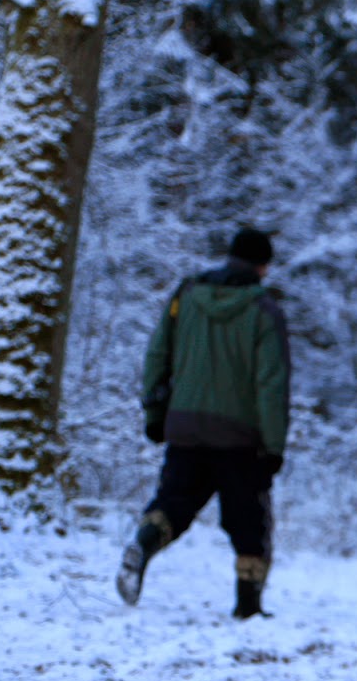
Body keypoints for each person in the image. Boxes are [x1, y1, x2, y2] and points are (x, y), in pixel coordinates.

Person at [116, 227, 290, 619]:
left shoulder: (187, 295)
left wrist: (155, 414)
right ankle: (248, 605)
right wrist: (274, 445)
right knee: (249, 521)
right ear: (263, 266)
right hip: (240, 438)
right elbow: (271, 383)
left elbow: (157, 354)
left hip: (186, 427)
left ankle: (144, 543)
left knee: (173, 505)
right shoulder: (265, 311)